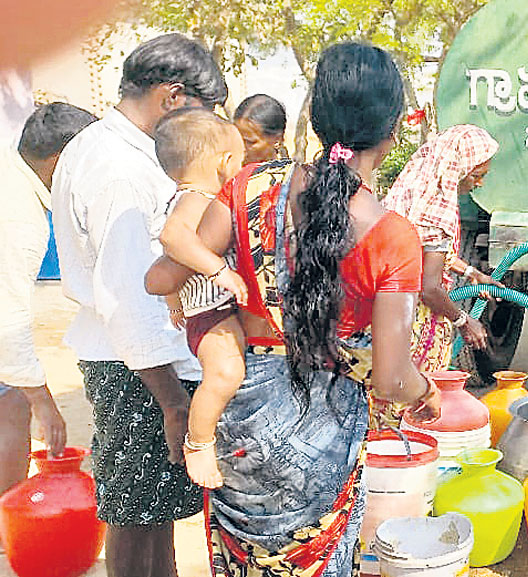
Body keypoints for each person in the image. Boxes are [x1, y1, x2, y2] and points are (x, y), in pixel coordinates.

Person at [172, 42, 440, 576]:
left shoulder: (248, 186)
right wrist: (426, 391)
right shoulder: (392, 237)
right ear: (392, 132)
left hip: (239, 410)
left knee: (245, 561)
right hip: (324, 430)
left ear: (315, 119)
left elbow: (187, 268)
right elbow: (390, 379)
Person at [51, 33, 227, 577]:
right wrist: (174, 403)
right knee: (134, 514)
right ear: (173, 97)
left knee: (154, 515)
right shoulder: (118, 167)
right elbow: (129, 297)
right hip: (139, 368)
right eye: (202, 111)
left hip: (141, 363)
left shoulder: (112, 148)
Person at [141, 108, 247, 489]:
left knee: (227, 373)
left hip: (206, 308)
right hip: (210, 310)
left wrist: (173, 297)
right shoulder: (196, 198)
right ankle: (199, 443)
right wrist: (219, 270)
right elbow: (173, 240)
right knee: (225, 374)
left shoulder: (187, 196)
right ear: (223, 162)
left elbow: (169, 261)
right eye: (240, 160)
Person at [0, 102, 95, 496]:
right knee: (13, 402)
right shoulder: (19, 213)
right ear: (61, 161)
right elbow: (6, 318)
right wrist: (43, 400)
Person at [383, 124, 503, 373]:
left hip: (386, 313)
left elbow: (427, 253)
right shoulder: (437, 212)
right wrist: (464, 321)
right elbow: (429, 289)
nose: (479, 184)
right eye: (476, 175)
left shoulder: (414, 191)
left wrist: (471, 272)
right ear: (457, 170)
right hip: (413, 323)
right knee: (415, 397)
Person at [232, 94, 287, 165]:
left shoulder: (296, 175)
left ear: (277, 140)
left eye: (249, 142)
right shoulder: (226, 172)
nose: (241, 149)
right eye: (236, 140)